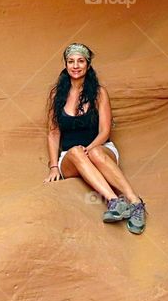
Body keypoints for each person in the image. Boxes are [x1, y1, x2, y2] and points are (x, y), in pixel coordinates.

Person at [44, 42, 146, 234]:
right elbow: (53, 132)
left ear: (88, 64)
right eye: (71, 61)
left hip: (100, 148)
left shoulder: (99, 93)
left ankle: (135, 202)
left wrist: (90, 149)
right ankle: (114, 202)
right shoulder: (58, 95)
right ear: (65, 65)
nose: (75, 66)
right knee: (76, 151)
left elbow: (105, 131)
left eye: (80, 61)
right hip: (71, 157)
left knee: (96, 153)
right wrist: (54, 167)